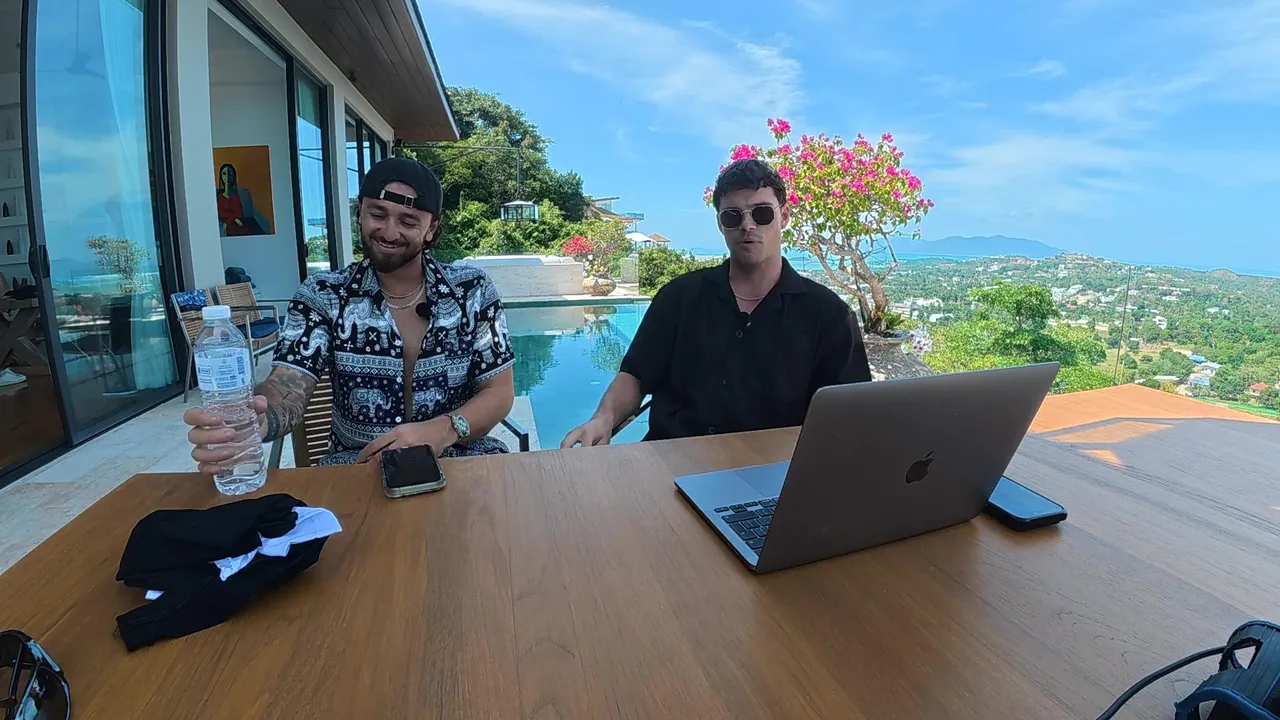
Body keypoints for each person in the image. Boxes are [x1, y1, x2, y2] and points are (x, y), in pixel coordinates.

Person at [185, 156, 516, 473]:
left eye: (408, 221)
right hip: (359, 469)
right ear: (359, 213)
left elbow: (499, 392)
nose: (389, 232)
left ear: (432, 229)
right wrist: (255, 417)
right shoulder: (324, 295)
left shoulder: (472, 291)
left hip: (460, 462)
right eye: (378, 214)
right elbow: (287, 384)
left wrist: (443, 430)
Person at [561, 158, 871, 448]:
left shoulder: (828, 316)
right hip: (670, 462)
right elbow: (636, 375)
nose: (747, 225)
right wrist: (603, 418)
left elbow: (848, 416)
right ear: (721, 224)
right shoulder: (679, 298)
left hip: (772, 471)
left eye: (762, 213)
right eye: (733, 216)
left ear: (784, 216)